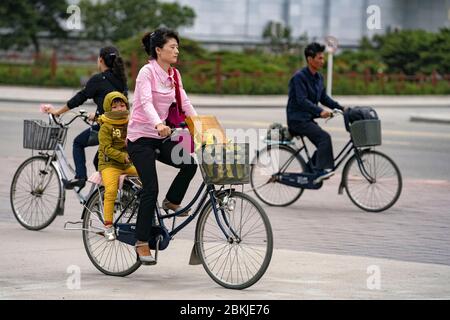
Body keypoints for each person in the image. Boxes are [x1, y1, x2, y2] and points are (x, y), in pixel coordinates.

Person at [126, 28, 198, 265]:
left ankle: (172, 202)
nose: (177, 51)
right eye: (172, 47)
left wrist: (201, 127)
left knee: (189, 162)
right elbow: (145, 102)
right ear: (158, 50)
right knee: (151, 188)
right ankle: (141, 242)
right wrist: (158, 123)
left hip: (161, 136)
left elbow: (185, 103)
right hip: (140, 138)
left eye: (178, 47)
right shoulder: (146, 72)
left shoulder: (174, 75)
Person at [43, 46, 128, 190]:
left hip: (106, 129)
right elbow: (111, 104)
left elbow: (79, 98)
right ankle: (108, 194)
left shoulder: (98, 79)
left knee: (78, 143)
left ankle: (81, 177)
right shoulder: (121, 79)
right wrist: (97, 116)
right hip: (121, 129)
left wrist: (58, 112)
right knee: (99, 162)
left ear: (100, 60)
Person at [286, 42, 345, 184]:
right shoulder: (299, 77)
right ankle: (319, 171)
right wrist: (320, 111)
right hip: (297, 120)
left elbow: (324, 98)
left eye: (322, 58)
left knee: (322, 141)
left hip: (307, 119)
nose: (322, 61)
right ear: (309, 59)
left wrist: (342, 108)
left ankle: (309, 169)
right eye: (319, 58)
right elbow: (302, 100)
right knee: (324, 138)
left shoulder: (318, 78)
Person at [97, 91, 137, 241]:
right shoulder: (106, 126)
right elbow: (106, 148)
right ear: (108, 108)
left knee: (146, 179)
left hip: (127, 163)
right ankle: (108, 225)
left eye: (122, 105)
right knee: (111, 190)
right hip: (109, 164)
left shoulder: (129, 121)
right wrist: (123, 156)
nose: (120, 109)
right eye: (115, 107)